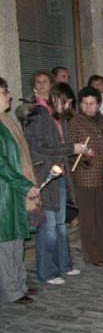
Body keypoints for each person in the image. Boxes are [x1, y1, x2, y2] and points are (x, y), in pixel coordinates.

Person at [24, 83, 88, 284]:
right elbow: (38, 149)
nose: (68, 106)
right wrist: (71, 148)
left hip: (60, 176)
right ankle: (48, 272)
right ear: (56, 97)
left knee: (61, 225)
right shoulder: (37, 117)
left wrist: (78, 150)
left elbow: (61, 146)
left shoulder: (60, 118)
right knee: (48, 226)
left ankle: (64, 265)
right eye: (66, 101)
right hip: (44, 177)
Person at [67, 86, 103, 266]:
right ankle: (93, 254)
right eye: (85, 104)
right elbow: (72, 147)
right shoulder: (75, 122)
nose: (89, 107)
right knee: (88, 217)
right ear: (80, 104)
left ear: (98, 104)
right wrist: (82, 154)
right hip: (85, 174)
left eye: (92, 104)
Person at [0, 78, 40, 304]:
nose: (9, 96)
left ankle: (20, 284)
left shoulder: (6, 121)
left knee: (17, 241)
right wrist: (25, 185)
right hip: (4, 192)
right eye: (4, 92)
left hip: (13, 191)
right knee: (6, 245)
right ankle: (11, 290)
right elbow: (1, 163)